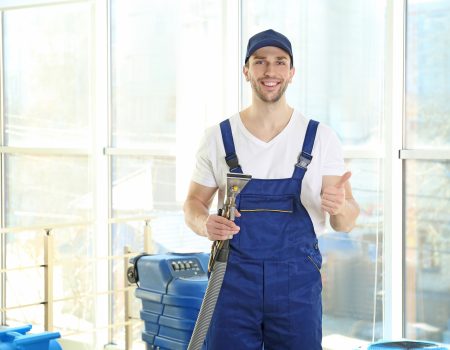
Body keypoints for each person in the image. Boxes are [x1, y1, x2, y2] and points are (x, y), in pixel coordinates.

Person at [183, 29, 360, 350]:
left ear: (291, 73)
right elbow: (193, 203)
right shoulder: (217, 138)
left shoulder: (319, 137)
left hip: (296, 284)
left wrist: (340, 206)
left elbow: (345, 223)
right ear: (246, 70)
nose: (270, 71)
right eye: (260, 61)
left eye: (280, 62)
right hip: (232, 280)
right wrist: (203, 223)